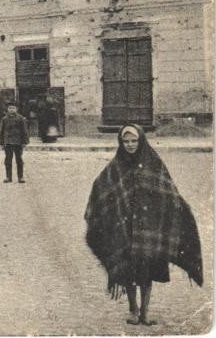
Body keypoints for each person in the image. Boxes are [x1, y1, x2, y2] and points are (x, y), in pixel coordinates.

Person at [84, 124, 202, 326]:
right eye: (126, 141)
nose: (130, 145)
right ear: (121, 143)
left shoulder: (154, 163)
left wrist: (178, 209)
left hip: (148, 230)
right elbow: (100, 187)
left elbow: (168, 191)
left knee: (147, 271)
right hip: (125, 229)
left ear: (141, 141)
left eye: (134, 141)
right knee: (128, 270)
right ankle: (133, 309)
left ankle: (145, 313)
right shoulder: (116, 166)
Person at [0, 102, 30, 183]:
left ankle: (20, 177)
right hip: (8, 142)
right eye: (10, 108)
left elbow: (24, 131)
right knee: (8, 160)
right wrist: (1, 143)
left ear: (16, 109)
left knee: (19, 160)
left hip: (18, 142)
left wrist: (24, 142)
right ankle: (8, 177)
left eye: (13, 108)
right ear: (7, 109)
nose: (11, 109)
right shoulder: (4, 119)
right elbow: (1, 132)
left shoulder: (21, 118)